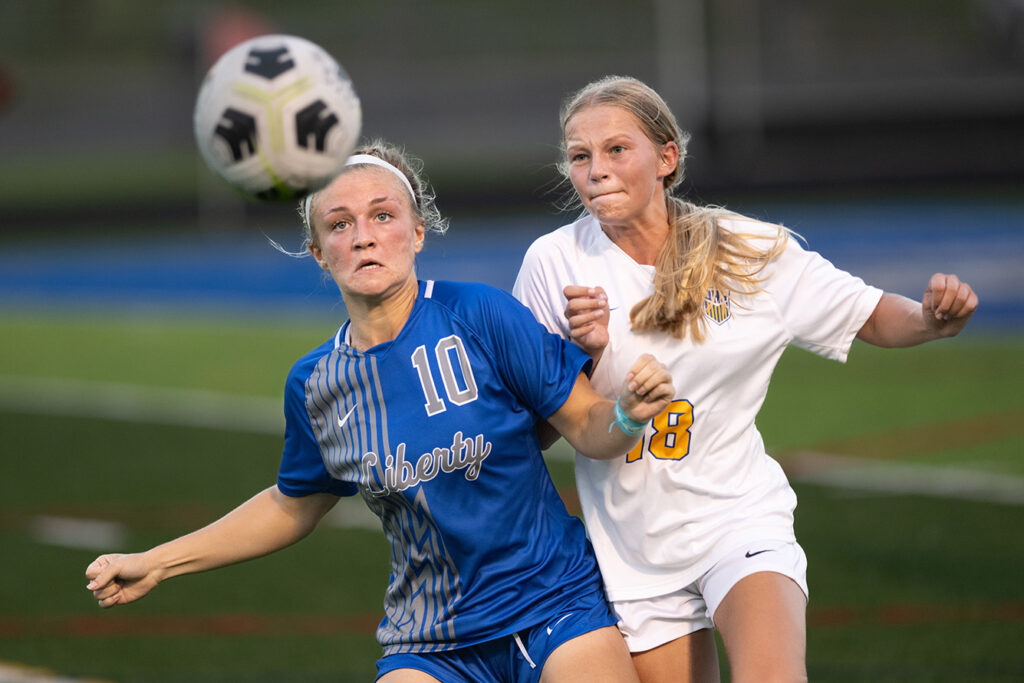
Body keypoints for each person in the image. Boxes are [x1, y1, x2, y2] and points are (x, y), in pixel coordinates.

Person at [85, 139, 675, 683]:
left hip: (553, 606)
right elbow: (293, 503)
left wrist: (625, 414)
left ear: (417, 233)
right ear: (319, 253)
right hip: (430, 639)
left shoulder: (481, 314)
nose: (363, 236)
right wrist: (159, 562)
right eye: (340, 225)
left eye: (382, 216)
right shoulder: (317, 383)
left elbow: (588, 427)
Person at [512, 76, 978, 683]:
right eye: (580, 156)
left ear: (666, 158)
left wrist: (930, 320)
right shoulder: (553, 264)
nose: (596, 169)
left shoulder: (745, 250)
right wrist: (584, 357)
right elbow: (538, 436)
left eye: (617, 149)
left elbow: (866, 313)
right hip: (634, 551)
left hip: (739, 520)